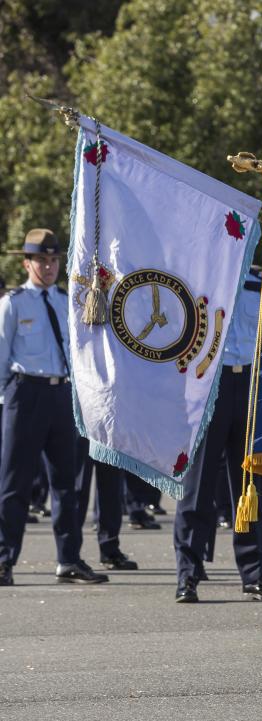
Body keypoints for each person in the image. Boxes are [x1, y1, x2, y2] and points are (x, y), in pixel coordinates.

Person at [0, 229, 102, 586]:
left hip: (62, 395)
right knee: (14, 484)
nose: (48, 266)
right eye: (41, 260)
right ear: (27, 263)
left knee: (66, 484)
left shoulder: (66, 300)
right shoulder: (13, 303)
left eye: (54, 260)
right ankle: (3, 559)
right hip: (25, 393)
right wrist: (6, 400)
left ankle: (69, 559)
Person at [172, 268, 262, 603]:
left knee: (250, 487)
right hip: (210, 385)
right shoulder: (200, 274)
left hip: (249, 383)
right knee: (198, 486)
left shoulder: (259, 282)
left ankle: (254, 572)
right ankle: (187, 574)